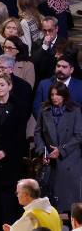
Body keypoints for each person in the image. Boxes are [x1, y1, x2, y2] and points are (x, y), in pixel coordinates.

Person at [0, 74, 30, 228]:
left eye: (2, 85)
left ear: (10, 86)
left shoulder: (18, 107)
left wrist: (5, 152)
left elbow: (19, 136)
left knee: (10, 197)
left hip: (11, 160)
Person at [33, 82, 82, 213]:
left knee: (69, 203)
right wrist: (43, 152)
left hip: (70, 161)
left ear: (64, 96)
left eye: (58, 94)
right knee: (49, 204)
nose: (55, 97)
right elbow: (38, 133)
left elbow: (78, 135)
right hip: (49, 160)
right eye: (52, 94)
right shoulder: (44, 109)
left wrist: (61, 150)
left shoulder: (75, 110)